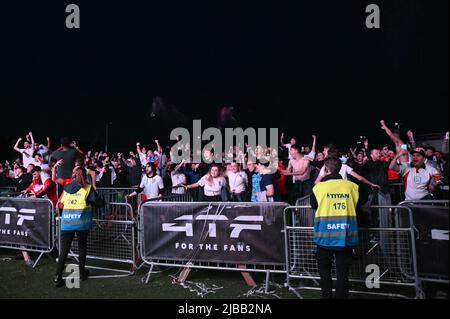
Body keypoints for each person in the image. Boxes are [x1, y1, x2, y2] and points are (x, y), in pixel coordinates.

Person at [310, 157, 359, 299]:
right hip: (345, 235)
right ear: (340, 168)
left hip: (324, 236)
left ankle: (327, 296)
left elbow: (314, 205)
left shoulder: (318, 187)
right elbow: (357, 203)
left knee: (324, 270)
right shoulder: (351, 186)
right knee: (343, 272)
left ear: (325, 169)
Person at [55, 166, 99, 287]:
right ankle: (82, 273)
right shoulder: (88, 188)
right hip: (81, 223)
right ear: (85, 176)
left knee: (64, 251)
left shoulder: (67, 187)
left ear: (74, 175)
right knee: (82, 248)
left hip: (67, 223)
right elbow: (98, 202)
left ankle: (57, 276)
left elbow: (61, 203)